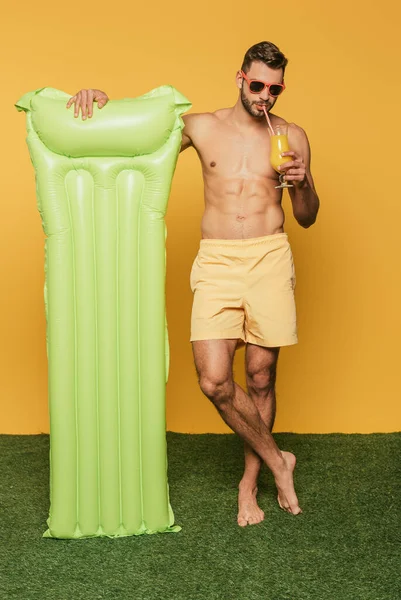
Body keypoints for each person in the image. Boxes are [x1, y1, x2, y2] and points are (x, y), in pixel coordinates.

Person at [66, 41, 320, 527]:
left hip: (269, 254)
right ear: (240, 78)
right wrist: (99, 103)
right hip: (218, 259)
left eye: (275, 87)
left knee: (262, 376)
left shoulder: (291, 135)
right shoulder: (201, 126)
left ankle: (250, 486)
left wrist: (303, 182)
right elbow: (137, 137)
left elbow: (307, 217)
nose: (265, 95)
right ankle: (277, 459)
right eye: (257, 84)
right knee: (214, 379)